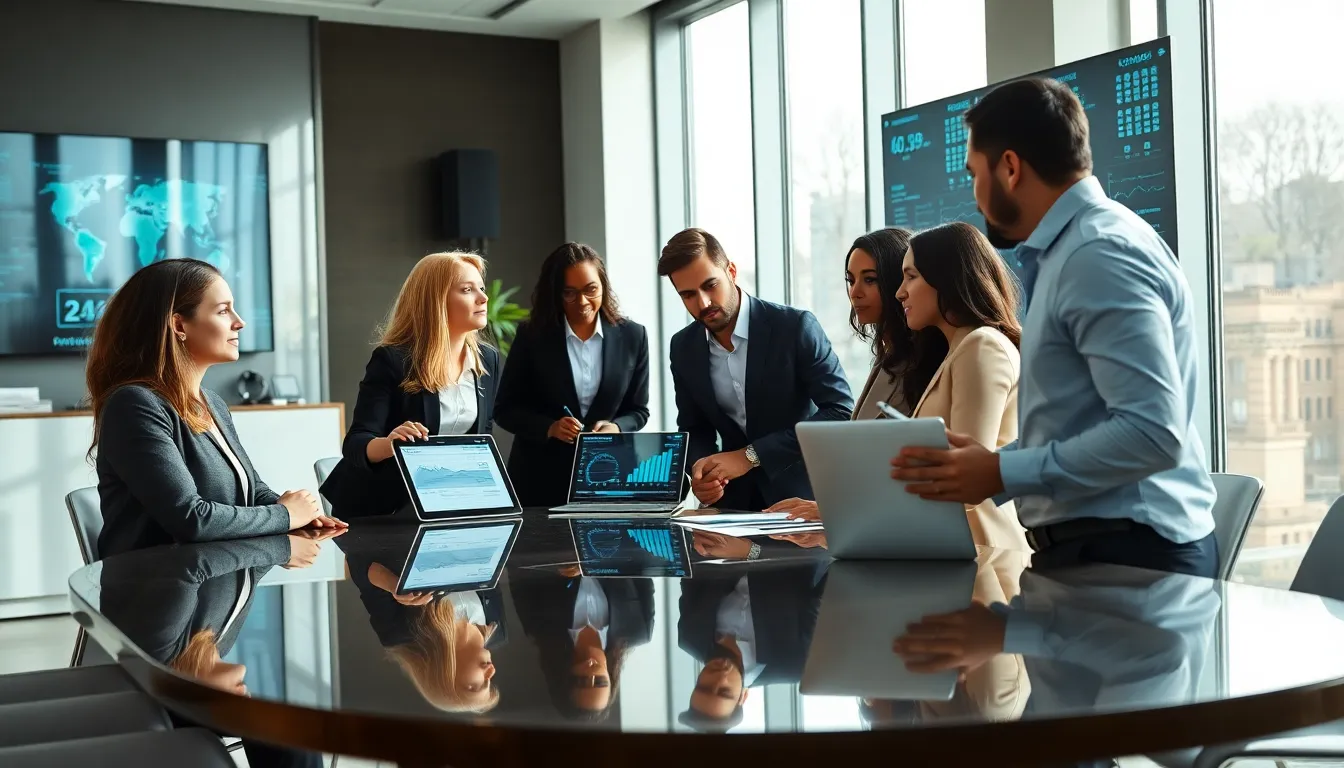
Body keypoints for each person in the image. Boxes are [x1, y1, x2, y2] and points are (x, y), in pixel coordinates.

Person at [889, 78, 1218, 577]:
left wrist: (1002, 470)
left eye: (975, 174)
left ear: (1010, 168)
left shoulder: (1097, 254)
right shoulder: (1074, 251)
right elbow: (1080, 426)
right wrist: (993, 467)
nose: (975, 197)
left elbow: (1153, 433)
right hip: (1101, 550)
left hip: (1128, 553)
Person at [87, 258, 340, 559]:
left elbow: (251, 490)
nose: (239, 322)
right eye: (223, 311)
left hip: (215, 574)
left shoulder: (212, 403)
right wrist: (285, 515)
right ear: (179, 325)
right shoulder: (134, 404)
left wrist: (301, 514)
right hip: (157, 584)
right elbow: (190, 519)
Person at [99, 532, 342, 768]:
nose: (246, 692)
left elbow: (190, 565)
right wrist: (290, 539)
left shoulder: (160, 649)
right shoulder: (215, 642)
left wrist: (284, 546)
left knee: (291, 733)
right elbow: (245, 574)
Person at [661, 227, 854, 511]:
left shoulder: (795, 327)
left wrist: (750, 456)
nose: (703, 302)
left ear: (731, 271)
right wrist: (701, 471)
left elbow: (840, 412)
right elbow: (694, 428)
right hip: (731, 507)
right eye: (688, 295)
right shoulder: (683, 347)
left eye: (710, 285)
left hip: (802, 499)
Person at [320, 251, 500, 518]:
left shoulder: (487, 359)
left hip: (445, 503)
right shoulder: (393, 360)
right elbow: (356, 443)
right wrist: (391, 444)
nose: (483, 298)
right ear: (435, 300)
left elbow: (482, 438)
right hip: (380, 510)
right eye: (467, 289)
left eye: (481, 288)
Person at [495, 243, 651, 507]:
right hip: (539, 480)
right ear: (556, 293)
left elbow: (638, 411)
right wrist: (550, 427)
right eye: (570, 293)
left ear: (603, 286)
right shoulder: (532, 336)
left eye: (591, 290)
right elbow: (504, 410)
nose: (582, 302)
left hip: (608, 477)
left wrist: (616, 427)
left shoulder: (633, 336)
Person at [510, 569, 654, 722]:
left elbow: (516, 570)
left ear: (563, 678)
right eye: (600, 681)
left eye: (580, 680)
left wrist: (560, 565)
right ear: (611, 678)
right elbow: (644, 568)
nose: (591, 670)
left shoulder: (539, 625)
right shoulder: (637, 630)